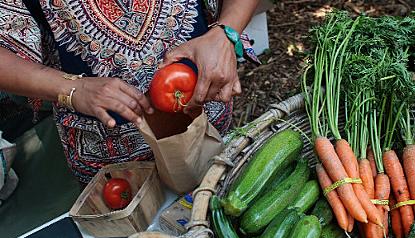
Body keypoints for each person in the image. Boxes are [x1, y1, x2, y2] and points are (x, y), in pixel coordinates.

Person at [0, 0, 260, 185]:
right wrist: (70, 87)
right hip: (109, 155)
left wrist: (226, 33)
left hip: (206, 116)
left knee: (223, 193)